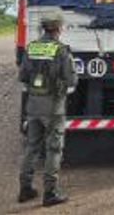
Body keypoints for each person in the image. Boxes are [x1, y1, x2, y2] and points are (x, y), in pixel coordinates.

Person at [18, 14, 78, 207]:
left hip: (33, 105)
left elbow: (23, 76)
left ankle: (25, 189)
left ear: (44, 29)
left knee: (31, 146)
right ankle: (50, 193)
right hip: (53, 108)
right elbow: (71, 79)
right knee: (54, 148)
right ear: (58, 29)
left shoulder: (31, 48)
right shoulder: (61, 51)